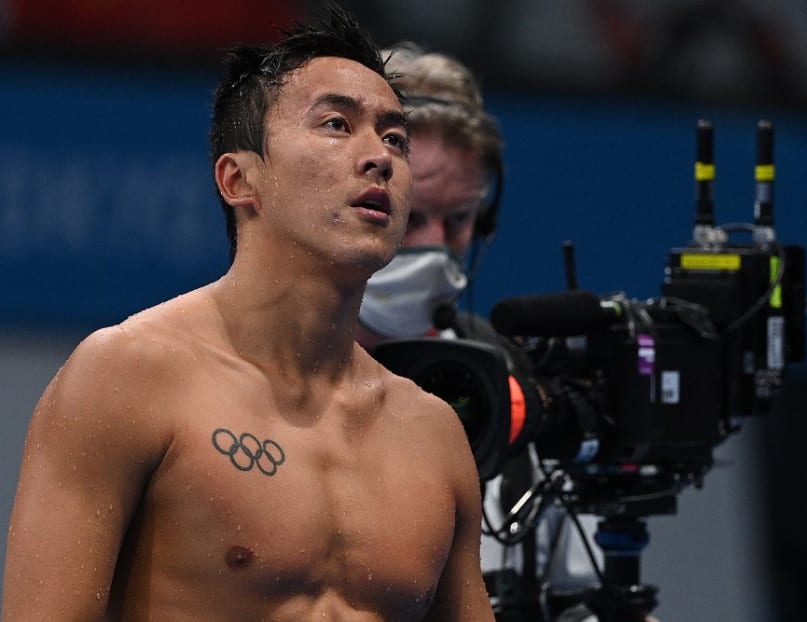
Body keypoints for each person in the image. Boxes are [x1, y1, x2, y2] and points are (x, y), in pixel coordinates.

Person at [1, 6, 495, 621]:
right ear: (239, 180)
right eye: (337, 124)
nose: (380, 157)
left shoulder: (434, 435)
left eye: (394, 137)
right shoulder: (128, 375)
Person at [354, 44, 611, 622]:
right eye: (414, 215)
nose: (437, 246)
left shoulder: (521, 387)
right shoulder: (243, 372)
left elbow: (578, 601)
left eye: (461, 219)